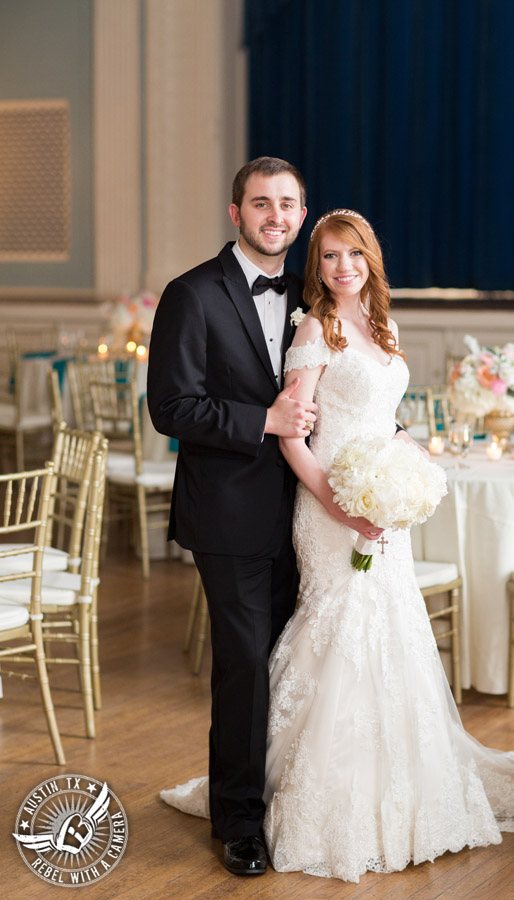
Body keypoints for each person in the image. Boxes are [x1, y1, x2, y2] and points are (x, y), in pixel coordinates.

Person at [161, 210, 514, 882]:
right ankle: (315, 802)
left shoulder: (380, 327)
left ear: (371, 261)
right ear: (318, 265)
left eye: (354, 255)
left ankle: (401, 791)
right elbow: (291, 436)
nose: (343, 268)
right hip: (328, 505)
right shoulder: (314, 331)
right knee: (337, 636)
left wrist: (403, 455)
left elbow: (374, 412)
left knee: (392, 635)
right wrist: (341, 502)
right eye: (330, 257)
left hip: (376, 506)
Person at [148, 156, 325, 877]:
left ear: (302, 214)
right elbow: (171, 408)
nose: (275, 216)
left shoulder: (317, 293)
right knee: (246, 668)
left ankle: (295, 797)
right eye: (261, 204)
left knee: (297, 662)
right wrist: (264, 419)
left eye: (287, 204)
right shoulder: (191, 294)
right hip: (229, 515)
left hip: (310, 514)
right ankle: (240, 822)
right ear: (236, 213)